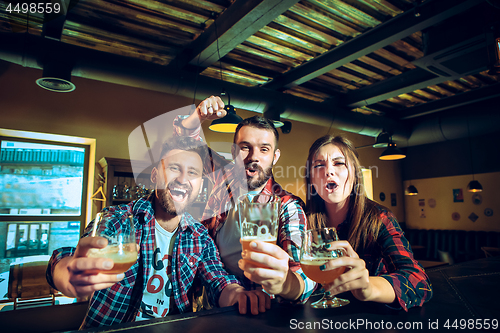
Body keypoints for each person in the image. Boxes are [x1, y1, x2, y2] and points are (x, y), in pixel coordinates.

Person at [46, 136, 270, 329]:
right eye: (174, 168)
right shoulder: (120, 219)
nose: (183, 179)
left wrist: (239, 295)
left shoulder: (200, 236)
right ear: (154, 176)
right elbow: (68, 257)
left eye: (192, 172)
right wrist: (65, 273)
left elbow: (218, 281)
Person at [174, 96, 315, 303]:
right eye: (245, 147)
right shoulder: (221, 176)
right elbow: (185, 142)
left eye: (264, 149)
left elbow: (303, 277)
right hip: (212, 302)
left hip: (262, 310)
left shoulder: (286, 206)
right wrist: (198, 116)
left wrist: (287, 284)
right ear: (233, 152)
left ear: (275, 157)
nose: (253, 157)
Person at [304, 134, 432, 310]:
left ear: (355, 174)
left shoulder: (380, 218)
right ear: (311, 179)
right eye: (319, 165)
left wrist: (369, 288)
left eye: (339, 163)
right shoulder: (302, 219)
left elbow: (419, 281)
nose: (328, 171)